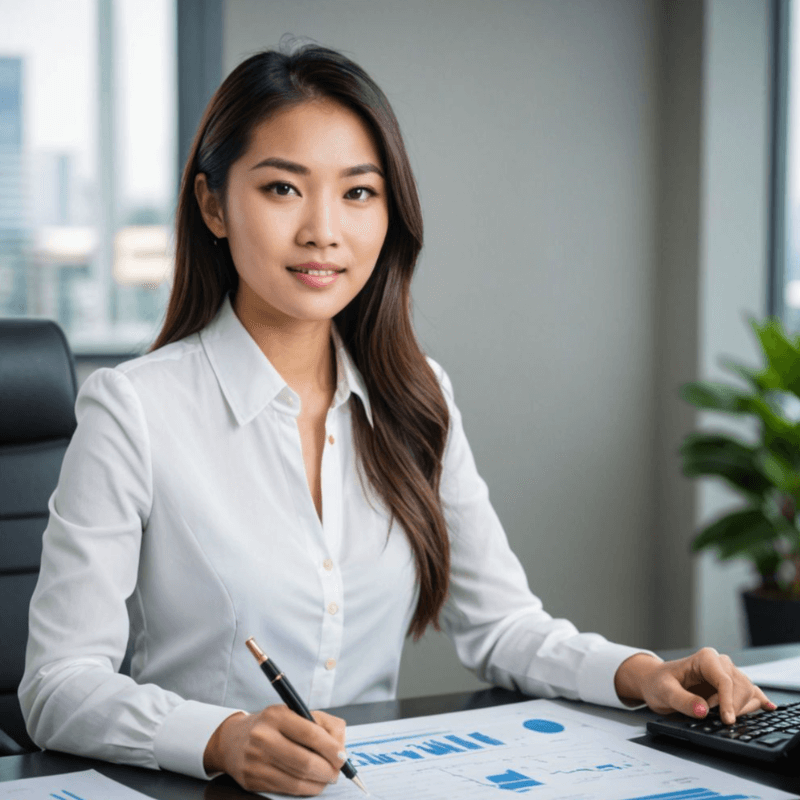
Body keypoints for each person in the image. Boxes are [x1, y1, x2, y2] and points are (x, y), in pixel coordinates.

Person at [19, 40, 774, 798]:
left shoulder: (416, 395)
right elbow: (57, 684)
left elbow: (502, 626)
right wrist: (222, 738)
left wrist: (643, 674)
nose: (324, 230)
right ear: (213, 204)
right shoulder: (135, 408)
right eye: (283, 189)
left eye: (358, 193)